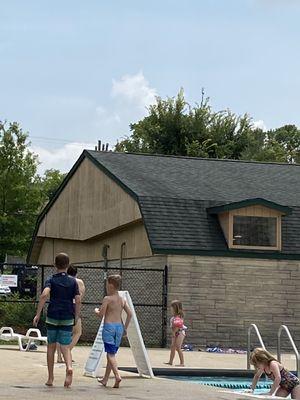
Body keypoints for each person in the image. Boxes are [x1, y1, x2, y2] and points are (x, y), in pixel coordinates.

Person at [33, 253, 81, 388]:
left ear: (55, 265)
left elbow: (44, 295)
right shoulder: (73, 281)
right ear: (68, 265)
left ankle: (50, 378)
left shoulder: (51, 279)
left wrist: (38, 314)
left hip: (53, 316)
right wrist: (76, 316)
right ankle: (69, 367)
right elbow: (78, 300)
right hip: (67, 316)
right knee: (65, 346)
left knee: (51, 347)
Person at [94, 274, 132, 388]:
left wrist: (96, 310)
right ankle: (105, 379)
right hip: (119, 328)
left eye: (107, 285)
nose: (106, 287)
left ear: (110, 285)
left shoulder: (107, 299)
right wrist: (125, 327)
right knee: (112, 354)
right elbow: (129, 314)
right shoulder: (122, 299)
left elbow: (101, 314)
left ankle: (117, 376)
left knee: (110, 354)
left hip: (109, 327)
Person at [57, 264, 86, 363]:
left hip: (61, 307)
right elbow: (80, 298)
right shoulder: (79, 282)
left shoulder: (61, 280)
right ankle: (67, 351)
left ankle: (59, 357)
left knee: (60, 333)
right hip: (73, 307)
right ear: (76, 273)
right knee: (77, 332)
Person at [165, 300, 186, 367]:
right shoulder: (174, 317)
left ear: (176, 308)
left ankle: (182, 363)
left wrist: (174, 333)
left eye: (172, 307)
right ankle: (170, 361)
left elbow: (177, 326)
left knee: (178, 347)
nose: (171, 309)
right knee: (172, 347)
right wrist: (173, 333)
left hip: (180, 333)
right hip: (176, 333)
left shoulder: (179, 316)